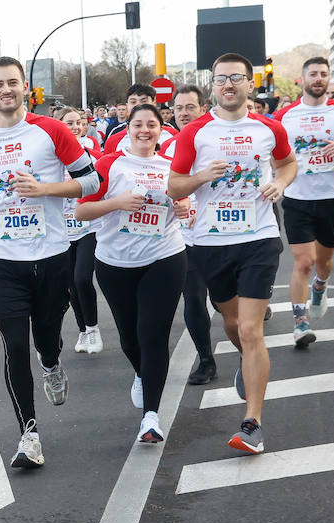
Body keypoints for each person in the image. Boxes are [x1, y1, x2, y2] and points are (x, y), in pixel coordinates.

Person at [0, 58, 100, 469]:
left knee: (46, 339)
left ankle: (53, 363)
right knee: (15, 345)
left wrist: (46, 189)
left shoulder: (51, 130)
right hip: (3, 260)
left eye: (12, 83)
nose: (5, 90)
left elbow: (91, 181)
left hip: (51, 255)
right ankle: (29, 434)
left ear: (25, 87)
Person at [168, 52, 296, 454]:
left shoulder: (268, 128)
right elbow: (174, 186)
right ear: (212, 86)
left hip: (258, 237)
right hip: (210, 243)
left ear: (249, 84)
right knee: (231, 323)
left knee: (250, 328)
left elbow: (289, 163)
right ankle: (247, 359)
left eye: (236, 78)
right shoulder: (195, 134)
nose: (228, 84)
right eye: (221, 78)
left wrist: (280, 183)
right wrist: (202, 176)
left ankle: (252, 423)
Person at [75, 105, 189, 443]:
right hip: (115, 263)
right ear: (127, 129)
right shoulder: (109, 164)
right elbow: (82, 211)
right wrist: (116, 203)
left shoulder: (173, 166)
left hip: (164, 257)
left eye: (151, 125)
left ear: (160, 129)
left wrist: (184, 208)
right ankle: (141, 374)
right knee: (129, 337)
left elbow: (188, 205)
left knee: (153, 334)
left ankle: (151, 417)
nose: (144, 130)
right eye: (137, 124)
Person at [274, 57, 334, 348]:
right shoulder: (285, 115)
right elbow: (264, 144)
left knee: (324, 263)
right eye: (313, 74)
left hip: (332, 198)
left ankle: (320, 286)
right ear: (303, 79)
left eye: (323, 74)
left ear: (328, 79)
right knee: (304, 261)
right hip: (298, 199)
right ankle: (300, 324)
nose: (318, 78)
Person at [165, 86, 218, 384]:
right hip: (185, 239)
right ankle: (206, 360)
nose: (184, 113)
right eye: (179, 108)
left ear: (202, 108)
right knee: (194, 300)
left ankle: (243, 349)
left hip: (220, 237)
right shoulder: (169, 148)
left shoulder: (215, 140)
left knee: (225, 303)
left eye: (190, 107)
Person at [60, 109, 103, 355]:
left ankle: (93, 328)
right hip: (62, 230)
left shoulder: (94, 156)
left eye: (79, 123)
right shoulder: (53, 158)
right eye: (69, 123)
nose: (75, 127)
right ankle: (83, 331)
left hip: (89, 227)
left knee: (82, 278)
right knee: (70, 285)